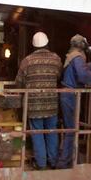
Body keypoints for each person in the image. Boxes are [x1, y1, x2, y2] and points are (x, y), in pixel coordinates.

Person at [57, 34, 91, 169]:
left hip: (68, 95)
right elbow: (83, 75)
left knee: (71, 129)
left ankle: (72, 160)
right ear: (82, 45)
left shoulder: (73, 56)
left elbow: (87, 67)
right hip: (70, 95)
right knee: (71, 130)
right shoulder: (77, 57)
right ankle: (64, 163)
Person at [14, 31, 62, 170]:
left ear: (33, 45)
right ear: (47, 43)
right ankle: (53, 161)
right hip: (51, 104)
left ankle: (41, 163)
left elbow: (19, 82)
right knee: (52, 131)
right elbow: (59, 76)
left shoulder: (27, 61)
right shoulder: (56, 59)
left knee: (37, 133)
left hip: (34, 106)